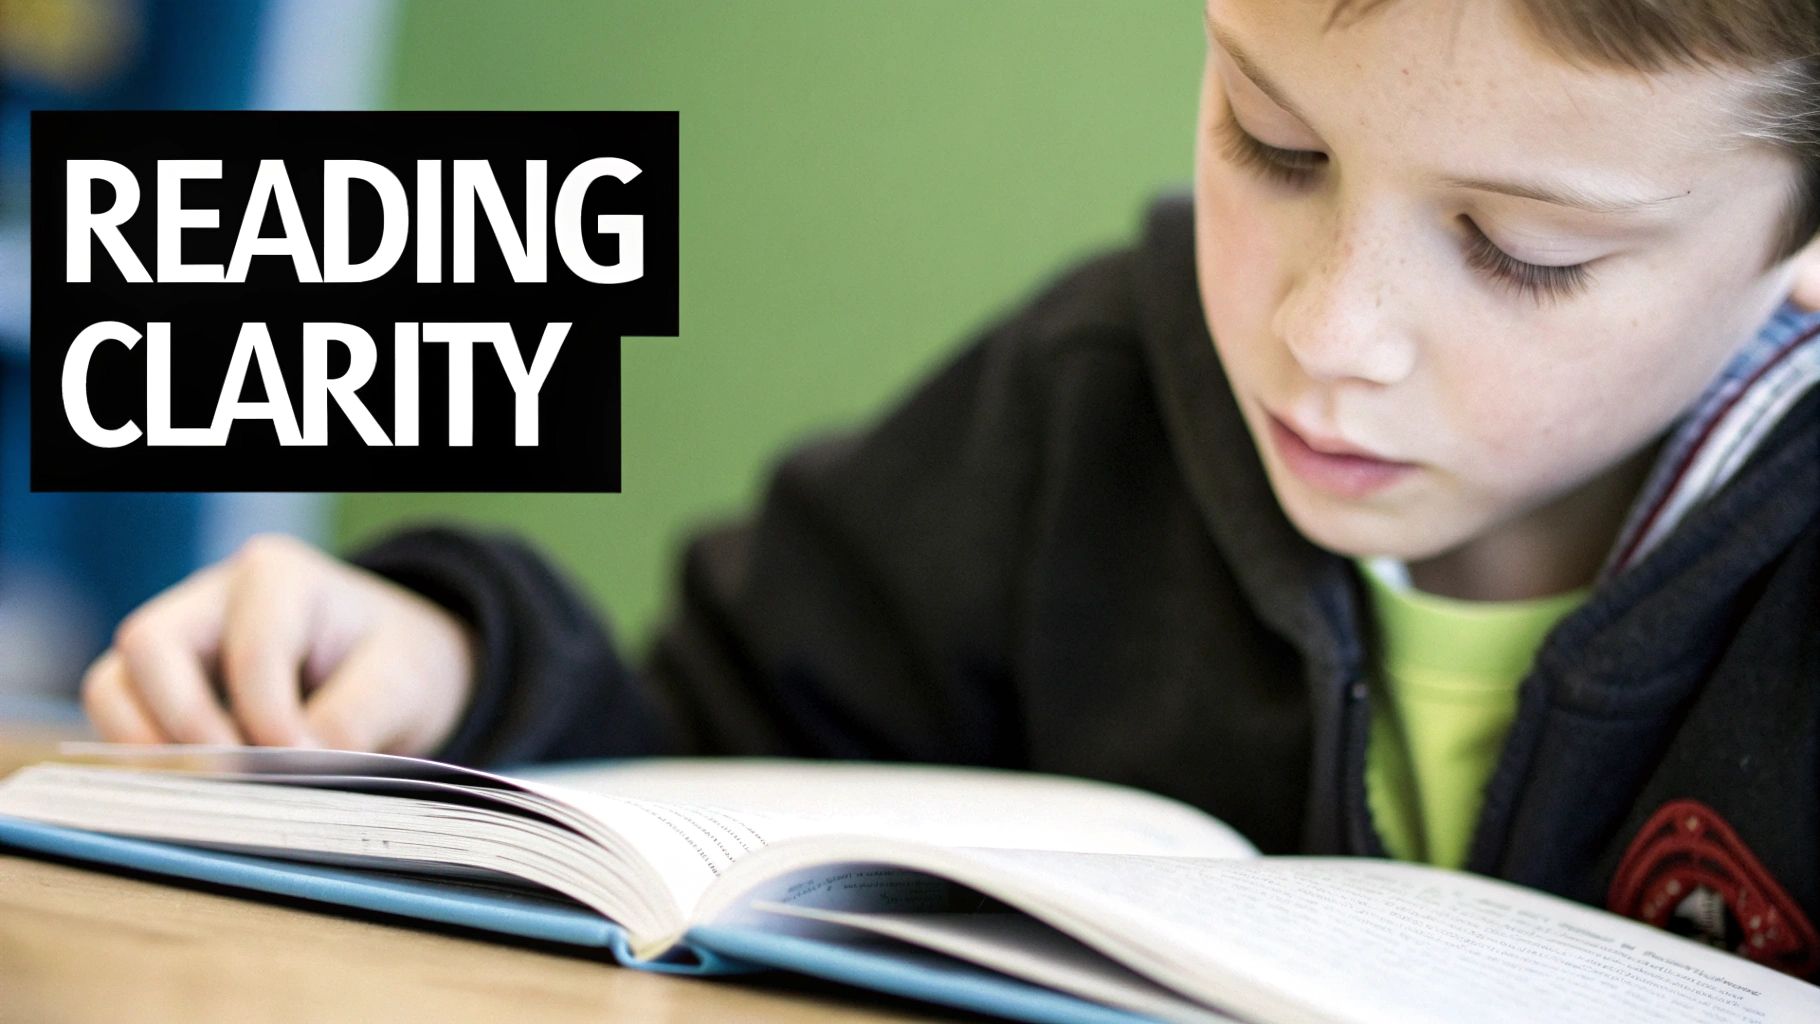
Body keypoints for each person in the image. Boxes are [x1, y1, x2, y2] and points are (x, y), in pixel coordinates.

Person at [77, 0, 1820, 980]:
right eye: (1270, 144)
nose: (1329, 332)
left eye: (1524, 253)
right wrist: (450, 667)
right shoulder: (1084, 408)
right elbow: (706, 785)